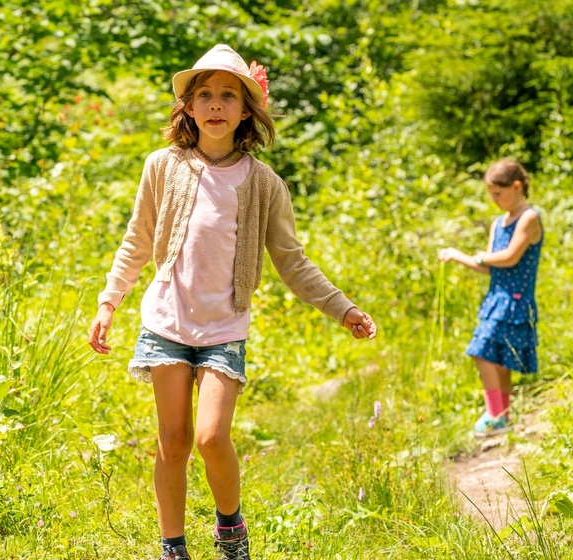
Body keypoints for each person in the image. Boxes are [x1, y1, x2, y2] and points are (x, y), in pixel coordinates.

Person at [87, 44, 378, 560]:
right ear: (189, 108)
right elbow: (137, 239)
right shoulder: (163, 166)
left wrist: (342, 307)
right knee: (172, 441)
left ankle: (230, 527)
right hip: (166, 323)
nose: (216, 105)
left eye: (228, 95)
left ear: (247, 109)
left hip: (224, 328)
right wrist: (110, 301)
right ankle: (172, 546)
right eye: (205, 95)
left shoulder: (263, 183)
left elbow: (293, 260)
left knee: (210, 437)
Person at [437, 159, 542, 438]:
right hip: (496, 298)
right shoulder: (498, 223)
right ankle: (502, 416)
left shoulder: (529, 217)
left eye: (499, 193)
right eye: (491, 194)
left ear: (517, 187)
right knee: (497, 358)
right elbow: (489, 267)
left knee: (480, 350)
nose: (495, 200)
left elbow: (509, 257)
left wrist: (478, 256)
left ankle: (495, 414)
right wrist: (459, 256)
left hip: (515, 299)